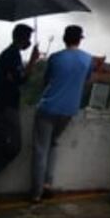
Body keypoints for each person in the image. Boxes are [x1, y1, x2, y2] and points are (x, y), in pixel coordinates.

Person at [30, 25, 93, 203]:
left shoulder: (55, 57)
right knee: (54, 144)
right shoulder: (88, 59)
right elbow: (87, 82)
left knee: (41, 150)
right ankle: (48, 184)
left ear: (65, 39)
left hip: (48, 107)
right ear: (80, 39)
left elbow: (47, 81)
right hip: (69, 110)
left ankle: (36, 193)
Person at [0, 24, 39, 178]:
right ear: (22, 38)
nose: (29, 42)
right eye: (28, 38)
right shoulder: (13, 55)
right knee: (14, 147)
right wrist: (32, 61)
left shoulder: (8, 54)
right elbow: (21, 79)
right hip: (5, 108)